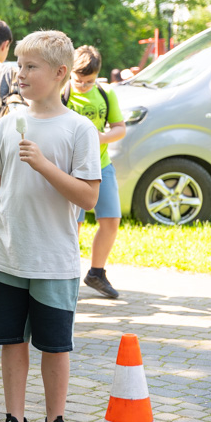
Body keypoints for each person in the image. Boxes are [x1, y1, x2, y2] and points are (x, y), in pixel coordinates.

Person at [0, 30, 100, 422]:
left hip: (55, 261)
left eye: (32, 67)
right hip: (9, 257)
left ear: (61, 73)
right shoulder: (7, 123)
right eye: (20, 66)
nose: (20, 74)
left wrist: (44, 165)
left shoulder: (79, 128)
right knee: (12, 342)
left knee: (55, 346)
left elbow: (88, 197)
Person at [65, 45, 126, 298]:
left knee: (111, 220)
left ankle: (96, 273)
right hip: (70, 170)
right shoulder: (63, 91)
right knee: (72, 225)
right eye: (79, 79)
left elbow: (120, 128)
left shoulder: (105, 92)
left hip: (101, 165)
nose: (83, 85)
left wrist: (101, 137)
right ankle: (67, 274)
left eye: (89, 81)